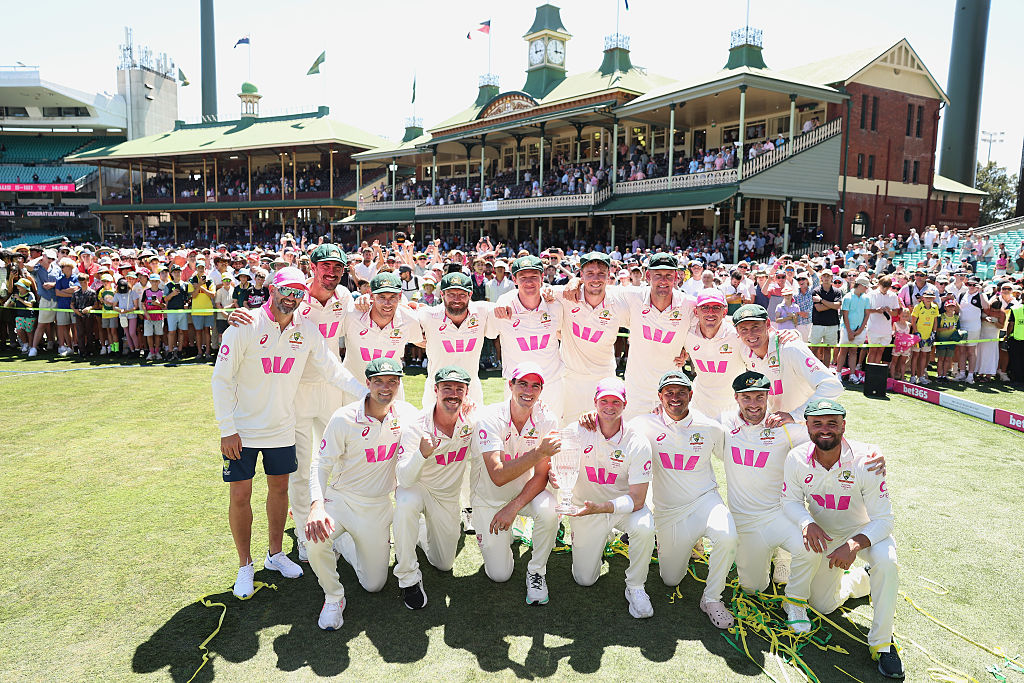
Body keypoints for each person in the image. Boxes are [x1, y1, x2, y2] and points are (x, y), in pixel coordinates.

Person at [211, 266, 366, 600]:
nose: (291, 298)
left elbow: (332, 370)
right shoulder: (245, 325)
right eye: (286, 291)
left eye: (298, 293)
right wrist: (227, 430)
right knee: (240, 496)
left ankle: (275, 554)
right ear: (272, 290)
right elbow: (221, 380)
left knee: (279, 492)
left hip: (282, 427)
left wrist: (366, 394)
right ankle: (244, 565)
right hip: (243, 431)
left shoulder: (306, 330)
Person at [782, 399, 903, 679]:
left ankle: (882, 644)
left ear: (843, 426)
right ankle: (862, 579)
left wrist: (854, 544)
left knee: (887, 562)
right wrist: (806, 523)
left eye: (832, 423)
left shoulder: (867, 459)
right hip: (825, 533)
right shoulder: (797, 457)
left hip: (866, 532)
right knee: (822, 606)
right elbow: (789, 501)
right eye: (818, 424)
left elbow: (885, 519)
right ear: (808, 427)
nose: (825, 430)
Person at [304, 357, 420, 630]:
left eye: (392, 381)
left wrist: (468, 409)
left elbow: (438, 417)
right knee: (315, 540)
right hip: (341, 499)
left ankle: (345, 543)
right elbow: (321, 463)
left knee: (374, 584)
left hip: (378, 507)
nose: (385, 388)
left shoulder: (407, 414)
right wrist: (317, 505)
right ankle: (334, 597)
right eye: (378, 381)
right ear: (367, 384)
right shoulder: (343, 417)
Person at [629, 370, 737, 629]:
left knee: (727, 535)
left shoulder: (709, 426)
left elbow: (733, 455)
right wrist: (589, 419)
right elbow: (612, 431)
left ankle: (712, 598)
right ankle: (691, 541)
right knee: (670, 579)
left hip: (705, 501)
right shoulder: (643, 424)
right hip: (669, 512)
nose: (675, 397)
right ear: (660, 397)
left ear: (691, 395)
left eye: (681, 392)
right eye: (669, 393)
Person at [720, 371, 818, 631]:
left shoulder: (784, 426)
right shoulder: (725, 423)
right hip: (745, 521)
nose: (754, 404)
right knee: (752, 587)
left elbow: (822, 442)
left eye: (760, 397)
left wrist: (863, 455)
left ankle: (795, 601)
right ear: (736, 398)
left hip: (778, 514)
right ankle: (772, 554)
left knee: (810, 547)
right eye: (747, 397)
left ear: (768, 397)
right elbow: (691, 425)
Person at [563, 377, 656, 619]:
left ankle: (635, 586)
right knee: (584, 580)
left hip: (622, 508)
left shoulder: (636, 440)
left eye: (616, 401)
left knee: (645, 526)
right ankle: (595, 540)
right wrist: (556, 478)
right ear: (595, 402)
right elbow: (558, 466)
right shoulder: (576, 431)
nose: (609, 406)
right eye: (604, 400)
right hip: (586, 509)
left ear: (625, 405)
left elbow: (637, 499)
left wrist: (603, 508)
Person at [470, 362, 560, 605]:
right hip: (489, 498)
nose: (528, 391)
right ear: (510, 385)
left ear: (541, 391)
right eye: (522, 384)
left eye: (535, 386)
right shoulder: (490, 418)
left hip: (521, 495)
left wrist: (514, 507)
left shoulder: (546, 420)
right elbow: (497, 476)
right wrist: (537, 452)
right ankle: (507, 536)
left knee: (551, 509)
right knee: (500, 575)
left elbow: (541, 475)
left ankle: (537, 570)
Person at [393, 366, 477, 610]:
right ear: (436, 390)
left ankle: (418, 528)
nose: (453, 394)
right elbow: (404, 478)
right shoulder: (416, 426)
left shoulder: (472, 422)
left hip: (446, 498)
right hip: (418, 488)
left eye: (459, 389)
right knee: (406, 502)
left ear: (467, 393)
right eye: (447, 388)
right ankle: (408, 577)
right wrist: (421, 453)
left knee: (444, 564)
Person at [733, 304, 843, 426]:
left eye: (755, 327)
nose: (750, 334)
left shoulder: (790, 347)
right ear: (737, 331)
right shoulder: (744, 349)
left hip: (802, 428)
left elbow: (832, 387)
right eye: (744, 329)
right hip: (775, 428)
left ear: (768, 324)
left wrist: (795, 415)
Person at [489, 255, 565, 419]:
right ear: (514, 279)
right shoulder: (503, 308)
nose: (529, 282)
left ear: (542, 278)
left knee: (552, 438)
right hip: (517, 387)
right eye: (523, 277)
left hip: (551, 385)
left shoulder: (556, 306)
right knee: (515, 438)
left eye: (534, 277)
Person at [342, 271, 423, 402]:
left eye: (393, 297)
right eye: (381, 297)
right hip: (354, 391)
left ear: (400, 296)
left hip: (391, 393)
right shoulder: (352, 315)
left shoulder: (409, 320)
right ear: (371, 296)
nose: (387, 303)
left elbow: (424, 341)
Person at [682, 289, 747, 419]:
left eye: (716, 307)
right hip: (700, 407)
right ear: (696, 312)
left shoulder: (738, 335)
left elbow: (767, 339)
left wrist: (793, 334)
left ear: (724, 312)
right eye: (705, 307)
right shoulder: (686, 334)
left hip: (733, 408)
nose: (710, 312)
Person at [835, 275, 872, 384]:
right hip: (846, 329)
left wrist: (860, 330)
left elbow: (867, 315)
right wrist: (850, 332)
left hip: (859, 330)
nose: (866, 289)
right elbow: (845, 315)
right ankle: (838, 373)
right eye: (865, 287)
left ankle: (852, 374)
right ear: (860, 285)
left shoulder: (866, 298)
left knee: (853, 351)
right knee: (843, 351)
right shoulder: (847, 297)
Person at [809, 270, 842, 366]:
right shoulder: (816, 291)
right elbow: (818, 308)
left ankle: (826, 370)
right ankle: (813, 369)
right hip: (818, 324)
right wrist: (832, 305)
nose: (826, 278)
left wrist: (821, 300)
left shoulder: (837, 291)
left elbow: (837, 306)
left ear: (832, 278)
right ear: (821, 278)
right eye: (824, 276)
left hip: (832, 324)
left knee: (828, 349)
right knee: (814, 348)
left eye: (829, 276)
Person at [910, 292, 939, 384]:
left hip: (928, 336)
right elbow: (913, 322)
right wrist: (916, 333)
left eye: (931, 297)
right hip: (918, 336)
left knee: (924, 356)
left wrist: (933, 333)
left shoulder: (934, 307)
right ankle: (912, 376)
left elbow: (935, 321)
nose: (929, 299)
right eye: (927, 297)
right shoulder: (918, 307)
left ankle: (921, 376)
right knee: (915, 356)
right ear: (923, 298)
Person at [164, 265, 190, 360]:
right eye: (175, 272)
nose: (177, 273)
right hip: (172, 311)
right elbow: (165, 298)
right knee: (171, 332)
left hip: (182, 311)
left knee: (181, 332)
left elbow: (187, 298)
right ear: (171, 273)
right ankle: (170, 352)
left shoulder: (185, 285)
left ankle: (179, 351)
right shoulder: (168, 285)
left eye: (178, 271)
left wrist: (187, 304)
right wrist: (172, 294)